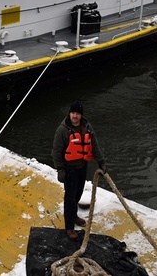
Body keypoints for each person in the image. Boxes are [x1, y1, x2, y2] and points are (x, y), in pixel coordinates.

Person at [52, 100, 105, 241]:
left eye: (77, 114)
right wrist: (60, 170)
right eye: (73, 113)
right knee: (70, 198)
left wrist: (101, 161)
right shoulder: (62, 130)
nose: (75, 116)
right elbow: (56, 152)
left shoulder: (86, 128)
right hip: (69, 169)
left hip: (82, 167)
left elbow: (94, 145)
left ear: (81, 116)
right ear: (69, 114)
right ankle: (69, 227)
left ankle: (74, 216)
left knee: (77, 195)